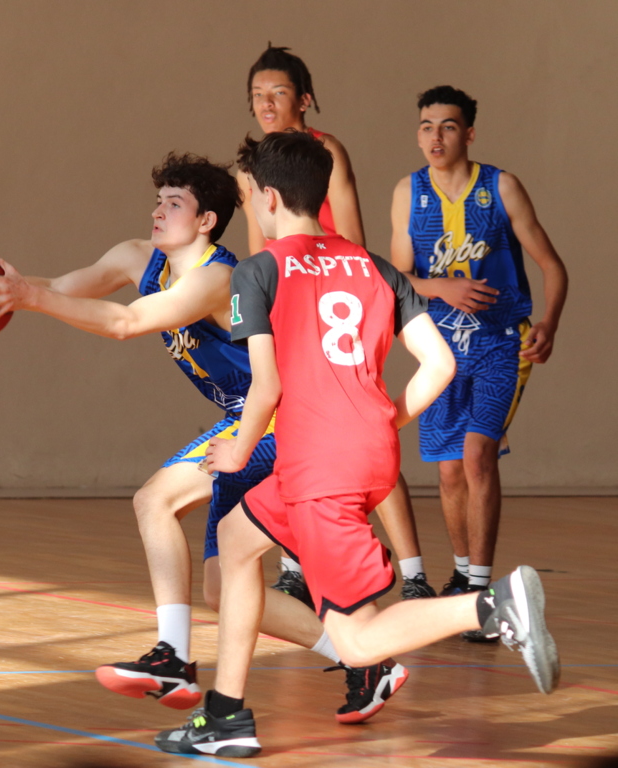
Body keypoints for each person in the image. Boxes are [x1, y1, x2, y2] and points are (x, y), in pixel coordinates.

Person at [154, 130, 560, 758]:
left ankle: (491, 605)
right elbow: (441, 364)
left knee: (358, 641)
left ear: (267, 198)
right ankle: (226, 713)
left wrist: (236, 451)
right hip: (354, 456)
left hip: (320, 469)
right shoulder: (376, 267)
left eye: (249, 195)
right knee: (235, 541)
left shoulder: (257, 271)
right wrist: (383, 420)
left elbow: (266, 385)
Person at [0, 152, 394, 723]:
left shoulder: (219, 278)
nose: (158, 211)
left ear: (206, 221)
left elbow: (124, 322)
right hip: (245, 420)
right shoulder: (136, 256)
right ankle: (364, 658)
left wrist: (33, 299)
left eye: (174, 203)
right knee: (222, 590)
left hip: (276, 417)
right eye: (158, 200)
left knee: (155, 500)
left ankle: (173, 658)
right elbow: (62, 286)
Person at [241, 43, 435, 602]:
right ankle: (297, 563)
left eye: (278, 92)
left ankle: (414, 572)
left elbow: (352, 238)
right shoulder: (251, 167)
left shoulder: (326, 151)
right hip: (291, 300)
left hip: (339, 297)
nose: (266, 104)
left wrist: (330, 280)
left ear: (304, 99)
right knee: (299, 429)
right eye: (257, 95)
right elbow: (260, 250)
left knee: (358, 419)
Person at [390, 86, 568, 639]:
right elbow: (398, 279)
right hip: (440, 351)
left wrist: (549, 324)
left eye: (447, 126)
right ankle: (464, 575)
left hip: (500, 344)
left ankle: (484, 593)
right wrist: (441, 286)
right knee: (448, 472)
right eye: (426, 126)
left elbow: (553, 266)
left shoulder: (501, 186)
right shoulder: (408, 192)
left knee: (477, 457)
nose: (435, 136)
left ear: (468, 133)